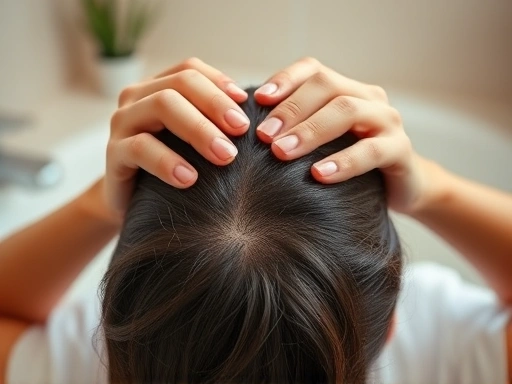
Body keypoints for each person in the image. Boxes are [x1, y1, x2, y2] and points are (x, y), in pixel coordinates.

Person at [0, 57, 510, 383]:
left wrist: (99, 203)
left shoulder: (81, 366)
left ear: (113, 325)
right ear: (393, 325)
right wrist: (431, 186)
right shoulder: (444, 353)